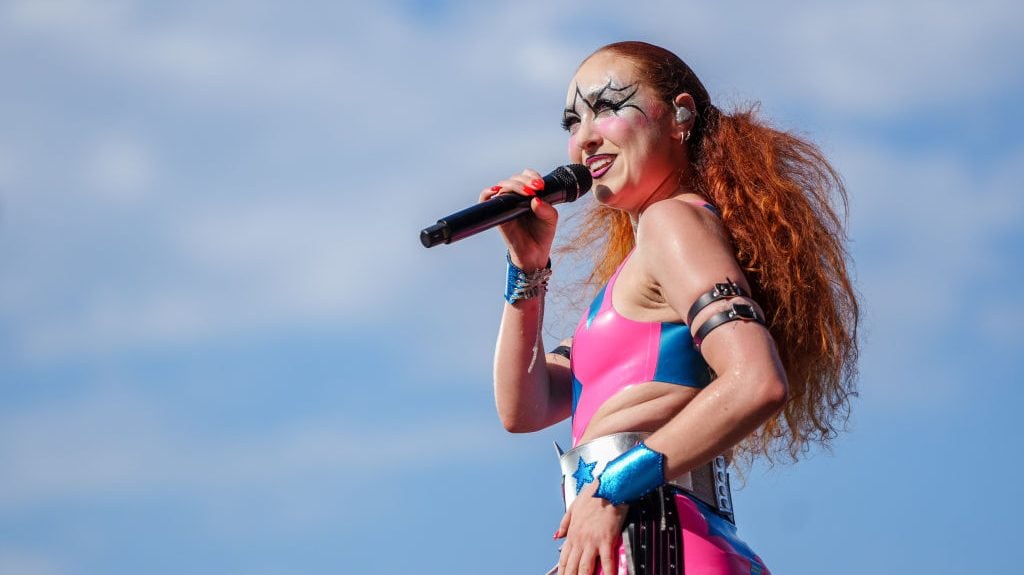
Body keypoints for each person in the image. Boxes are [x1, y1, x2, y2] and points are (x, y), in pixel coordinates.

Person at [479, 41, 858, 575]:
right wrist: (528, 265)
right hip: (645, 535)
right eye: (573, 120)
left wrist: (612, 486)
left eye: (608, 107)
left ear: (680, 115)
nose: (584, 137)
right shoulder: (633, 276)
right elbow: (525, 408)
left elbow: (756, 381)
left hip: (659, 537)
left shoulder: (672, 222)